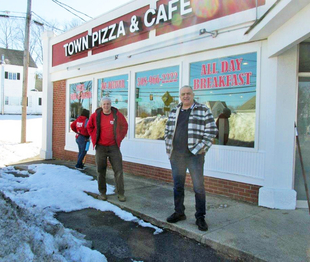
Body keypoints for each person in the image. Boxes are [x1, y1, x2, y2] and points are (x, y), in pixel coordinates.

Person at [164, 85, 218, 231]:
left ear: (193, 95)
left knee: (198, 187)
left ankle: (200, 217)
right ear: (179, 96)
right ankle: (179, 212)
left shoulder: (203, 110)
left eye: (188, 93)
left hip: (194, 156)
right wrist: (169, 149)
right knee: (178, 186)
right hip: (177, 156)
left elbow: (212, 131)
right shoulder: (174, 111)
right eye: (183, 94)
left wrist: (201, 148)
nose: (185, 96)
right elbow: (167, 131)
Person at [87, 97, 128, 202]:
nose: (106, 106)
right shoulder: (96, 115)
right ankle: (102, 193)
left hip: (114, 147)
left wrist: (119, 137)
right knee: (101, 171)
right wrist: (94, 137)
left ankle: (121, 194)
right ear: (101, 105)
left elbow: (125, 126)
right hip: (100, 147)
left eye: (108, 104)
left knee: (118, 170)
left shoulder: (117, 115)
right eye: (104, 104)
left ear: (111, 104)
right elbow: (89, 127)